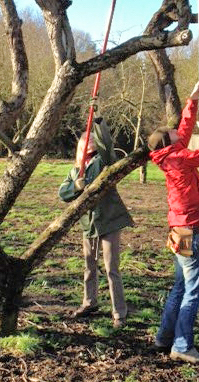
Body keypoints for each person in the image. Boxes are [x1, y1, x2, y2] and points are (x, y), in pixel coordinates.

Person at [147, 80, 199, 363]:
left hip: (180, 228)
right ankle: (181, 345)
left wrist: (193, 100)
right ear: (171, 142)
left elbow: (183, 129)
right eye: (173, 133)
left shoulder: (168, 154)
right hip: (191, 229)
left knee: (180, 286)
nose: (177, 131)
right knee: (194, 290)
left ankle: (164, 338)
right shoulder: (180, 158)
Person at [58, 115, 133, 328]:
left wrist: (99, 122)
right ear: (80, 147)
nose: (88, 143)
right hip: (88, 225)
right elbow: (63, 194)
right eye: (85, 140)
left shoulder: (104, 161)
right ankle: (89, 302)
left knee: (111, 269)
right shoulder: (75, 171)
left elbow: (107, 145)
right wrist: (76, 187)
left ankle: (119, 313)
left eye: (91, 140)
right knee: (90, 267)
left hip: (109, 221)